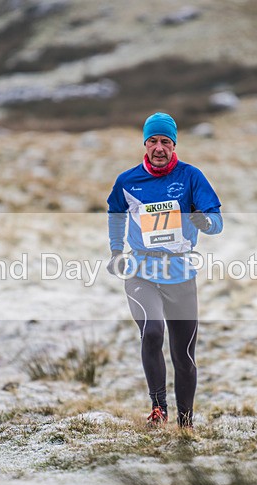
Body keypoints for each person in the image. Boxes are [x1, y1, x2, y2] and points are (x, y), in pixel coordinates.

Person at [106, 112, 223, 429]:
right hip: (141, 271)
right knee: (153, 330)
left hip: (181, 275)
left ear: (174, 144)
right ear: (145, 143)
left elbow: (216, 221)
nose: (159, 147)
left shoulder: (190, 177)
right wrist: (117, 251)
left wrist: (204, 221)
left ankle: (185, 422)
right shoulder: (128, 181)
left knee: (184, 356)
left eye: (166, 142)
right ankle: (158, 408)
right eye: (154, 141)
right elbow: (115, 214)